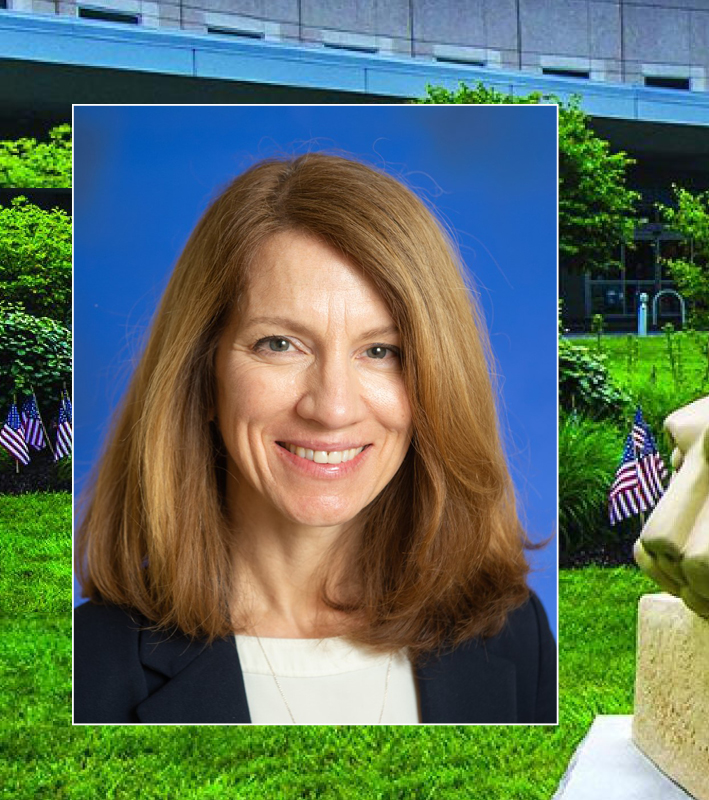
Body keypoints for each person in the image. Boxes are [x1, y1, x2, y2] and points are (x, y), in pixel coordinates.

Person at [73, 154, 556, 724]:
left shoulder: (513, 636)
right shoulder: (86, 670)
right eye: (280, 344)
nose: (332, 408)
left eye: (381, 352)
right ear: (202, 376)